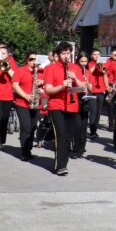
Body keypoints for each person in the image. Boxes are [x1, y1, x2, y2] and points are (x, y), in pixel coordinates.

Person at [43, 43, 83, 176]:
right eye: (63, 53)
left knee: (67, 136)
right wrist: (62, 85)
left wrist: (75, 78)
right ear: (58, 55)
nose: (66, 56)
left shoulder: (75, 67)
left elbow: (84, 87)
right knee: (60, 135)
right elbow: (48, 89)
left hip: (72, 106)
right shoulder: (51, 68)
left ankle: (63, 163)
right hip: (56, 106)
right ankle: (60, 166)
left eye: (68, 53)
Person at [12, 53, 42, 161]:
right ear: (26, 60)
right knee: (25, 127)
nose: (33, 61)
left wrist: (42, 81)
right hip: (22, 103)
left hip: (36, 103)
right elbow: (15, 84)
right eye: (31, 59)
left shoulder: (41, 71)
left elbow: (47, 84)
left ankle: (28, 149)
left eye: (35, 59)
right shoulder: (20, 70)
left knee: (33, 127)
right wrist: (25, 95)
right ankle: (24, 151)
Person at [70, 51, 90, 158]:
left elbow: (91, 88)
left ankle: (81, 149)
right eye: (81, 61)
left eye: (85, 61)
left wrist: (87, 83)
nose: (83, 64)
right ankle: (75, 148)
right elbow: (76, 86)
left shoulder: (87, 71)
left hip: (85, 99)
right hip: (75, 98)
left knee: (83, 126)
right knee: (76, 126)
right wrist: (77, 79)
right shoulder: (74, 69)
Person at [86, 49, 106, 137]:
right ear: (91, 55)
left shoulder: (102, 64)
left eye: (98, 54)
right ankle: (92, 131)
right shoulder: (90, 63)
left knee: (98, 112)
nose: (97, 56)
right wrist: (96, 64)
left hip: (101, 90)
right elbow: (90, 71)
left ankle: (95, 129)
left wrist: (101, 65)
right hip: (92, 90)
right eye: (95, 54)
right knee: (93, 111)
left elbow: (105, 72)